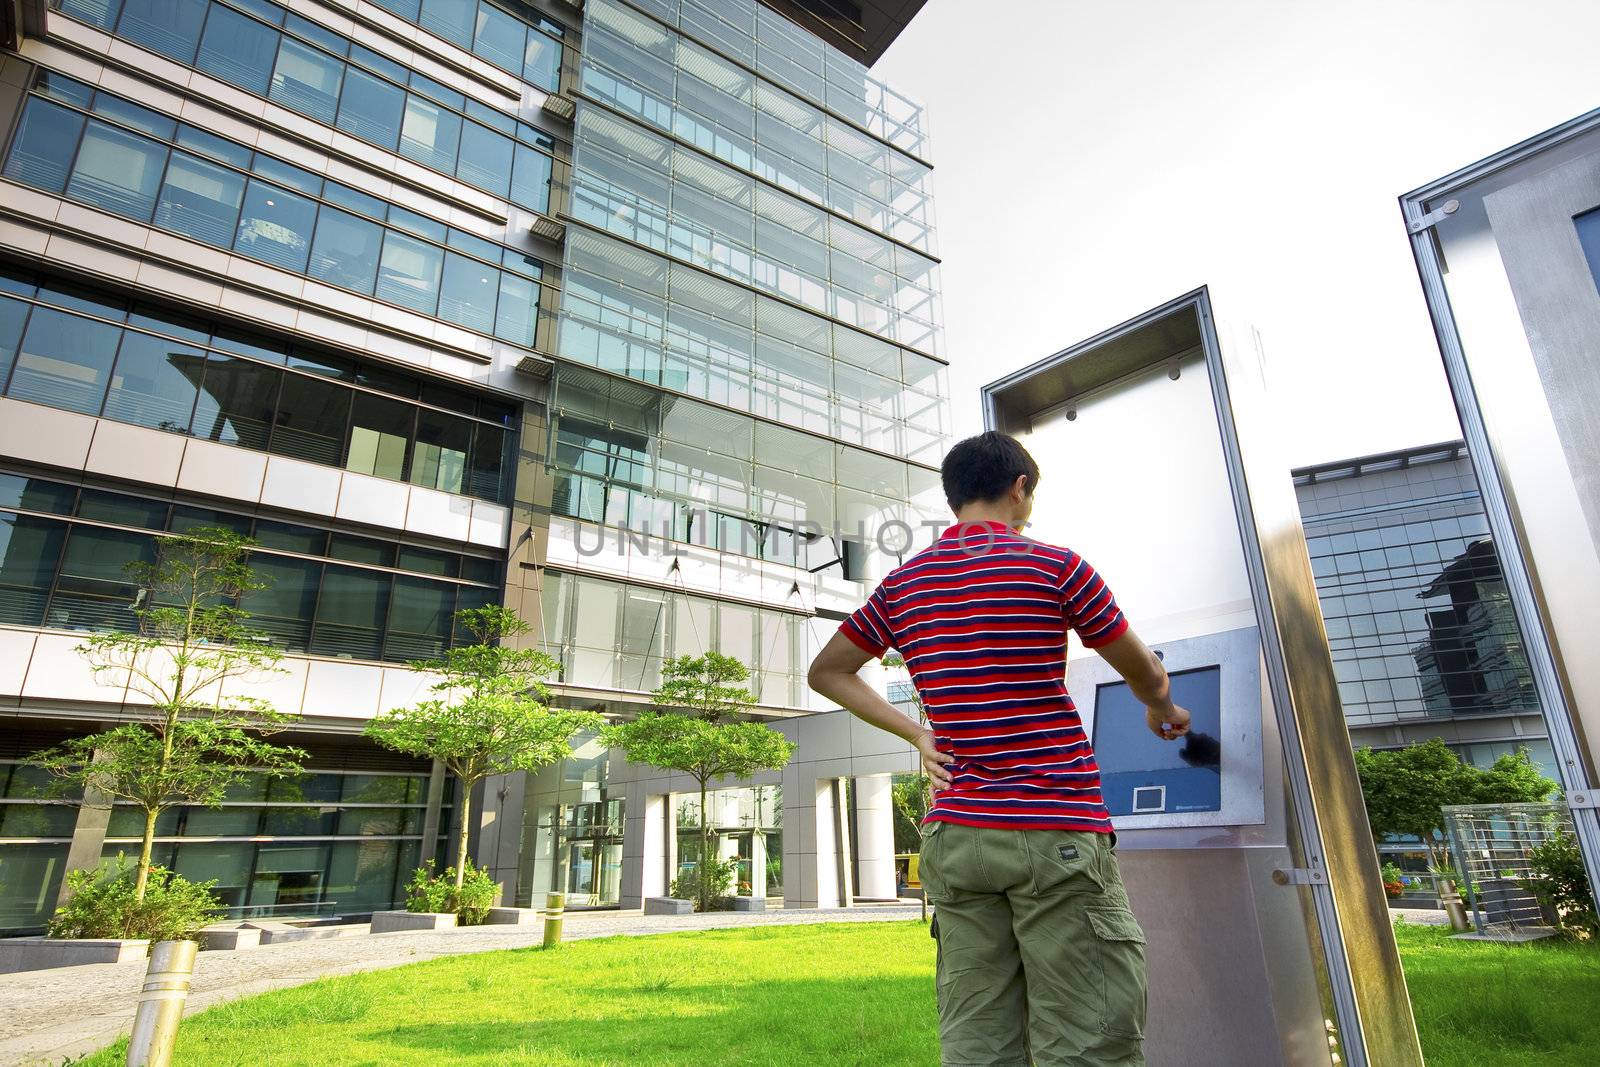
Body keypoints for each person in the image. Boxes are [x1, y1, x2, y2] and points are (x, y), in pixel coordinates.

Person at [807, 430, 1191, 1067]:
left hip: (957, 836)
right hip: (1053, 826)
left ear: (955, 496)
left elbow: (828, 671)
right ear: (1019, 489)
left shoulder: (904, 585)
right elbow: (1142, 669)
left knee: (979, 1038)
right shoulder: (1056, 567)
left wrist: (916, 733)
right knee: (1088, 1035)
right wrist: (1162, 708)